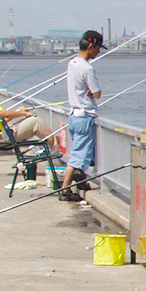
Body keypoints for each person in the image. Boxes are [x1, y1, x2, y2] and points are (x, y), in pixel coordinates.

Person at [58, 30, 103, 202]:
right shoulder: (88, 69)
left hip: (74, 116)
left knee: (79, 153)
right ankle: (65, 190)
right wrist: (94, 93)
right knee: (77, 157)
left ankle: (80, 180)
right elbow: (97, 93)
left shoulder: (72, 64)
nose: (98, 52)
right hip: (85, 116)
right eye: (98, 48)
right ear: (91, 46)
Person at [0, 80, 59, 153]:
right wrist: (24, 113)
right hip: (2, 138)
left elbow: (2, 120)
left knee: (31, 120)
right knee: (35, 121)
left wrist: (17, 113)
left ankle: (51, 146)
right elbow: (5, 114)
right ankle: (55, 150)